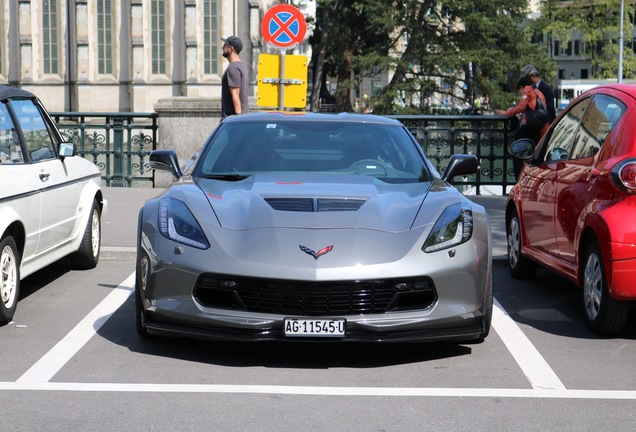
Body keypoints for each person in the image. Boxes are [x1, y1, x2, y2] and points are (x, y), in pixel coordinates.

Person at [496, 74, 550, 180]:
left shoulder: (527, 89)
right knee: (535, 157)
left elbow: (521, 107)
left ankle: (519, 181)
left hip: (531, 128)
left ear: (522, 86)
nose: (520, 93)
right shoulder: (538, 91)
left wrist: (506, 113)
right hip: (541, 127)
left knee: (518, 154)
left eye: (519, 90)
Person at [221, 35, 249, 118]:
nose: (222, 47)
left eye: (225, 45)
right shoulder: (241, 67)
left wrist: (238, 117)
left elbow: (235, 93)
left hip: (231, 119)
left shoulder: (233, 68)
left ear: (231, 48)